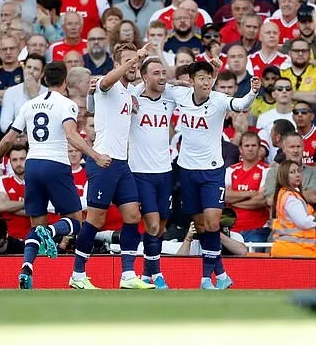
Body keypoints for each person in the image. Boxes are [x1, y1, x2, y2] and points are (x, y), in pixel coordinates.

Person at [0, 62, 111, 289]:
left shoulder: (29, 105)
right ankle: (51, 231)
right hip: (56, 164)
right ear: (65, 81)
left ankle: (27, 267)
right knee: (76, 221)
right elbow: (70, 134)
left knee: (35, 223)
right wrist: (95, 155)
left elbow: (9, 138)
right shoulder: (67, 104)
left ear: (44, 80)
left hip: (33, 165)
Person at [167, 61, 261, 289]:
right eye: (201, 78)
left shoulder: (219, 100)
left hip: (212, 171)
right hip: (187, 171)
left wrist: (253, 92)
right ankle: (220, 275)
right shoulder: (179, 94)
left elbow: (239, 104)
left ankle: (204, 278)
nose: (207, 82)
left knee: (212, 222)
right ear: (192, 81)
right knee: (200, 225)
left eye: (209, 78)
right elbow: (157, 86)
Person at [69, 43, 154, 290]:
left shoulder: (128, 92)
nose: (134, 65)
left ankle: (128, 275)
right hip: (103, 162)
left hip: (121, 163)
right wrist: (135, 55)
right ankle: (77, 274)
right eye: (128, 61)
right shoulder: (108, 84)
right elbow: (104, 84)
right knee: (95, 219)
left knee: (133, 216)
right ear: (117, 65)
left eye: (136, 62)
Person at [129, 58, 175, 290]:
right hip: (141, 172)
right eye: (156, 73)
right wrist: (135, 91)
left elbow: (187, 91)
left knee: (160, 226)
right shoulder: (134, 101)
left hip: (165, 172)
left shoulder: (170, 99)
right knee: (153, 224)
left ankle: (146, 275)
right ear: (145, 77)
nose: (161, 77)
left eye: (163, 72)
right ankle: (157, 274)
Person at [271, 160, 316, 257]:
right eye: (292, 172)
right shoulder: (291, 198)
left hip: (291, 249)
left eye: (298, 171)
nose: (297, 174)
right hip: (296, 251)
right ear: (284, 176)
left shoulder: (285, 194)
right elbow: (304, 222)